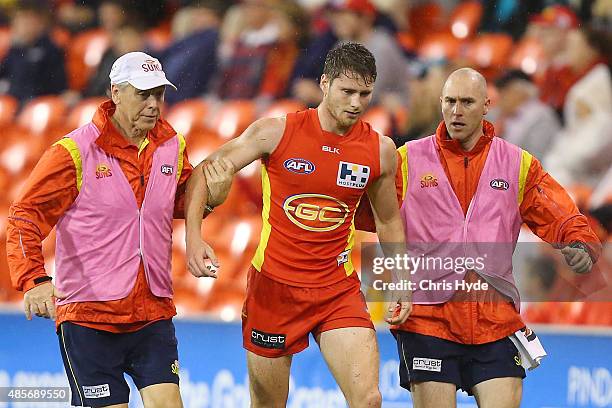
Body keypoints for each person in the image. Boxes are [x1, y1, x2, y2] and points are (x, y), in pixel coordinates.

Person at [184, 42, 410, 407]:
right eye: (347, 92)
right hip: (274, 289)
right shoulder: (275, 132)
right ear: (324, 83)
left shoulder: (378, 149)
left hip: (336, 288)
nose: (355, 103)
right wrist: (193, 238)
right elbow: (204, 173)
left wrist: (401, 280)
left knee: (368, 399)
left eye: (364, 94)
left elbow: (388, 220)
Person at [362, 68, 601, 407]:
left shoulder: (518, 164)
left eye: (467, 102)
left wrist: (579, 242)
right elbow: (367, 214)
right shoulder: (406, 159)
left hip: (495, 318)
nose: (456, 111)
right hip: (429, 317)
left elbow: (557, 210)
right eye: (450, 102)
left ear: (487, 105)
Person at [5, 51, 231, 408]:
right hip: (89, 316)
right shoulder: (73, 152)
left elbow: (175, 202)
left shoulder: (172, 144)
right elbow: (25, 217)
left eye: (159, 94)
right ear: (115, 92)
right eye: (143, 94)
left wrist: (209, 199)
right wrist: (33, 279)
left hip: (152, 311)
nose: (154, 104)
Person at [0, 0, 67, 104]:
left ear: (40, 23)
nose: (23, 25)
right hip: (12, 102)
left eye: (27, 21)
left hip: (37, 104)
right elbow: (4, 74)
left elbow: (53, 86)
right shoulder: (15, 49)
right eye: (20, 20)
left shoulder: (50, 49)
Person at [492, 69, 560, 160]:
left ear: (520, 93)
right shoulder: (506, 116)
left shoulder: (541, 116)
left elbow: (536, 158)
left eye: (504, 92)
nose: (499, 98)